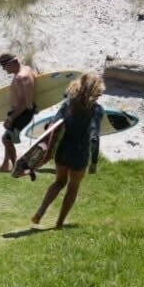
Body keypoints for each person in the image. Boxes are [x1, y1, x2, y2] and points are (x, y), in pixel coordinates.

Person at [31, 73, 104, 229]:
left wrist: (46, 149)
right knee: (73, 187)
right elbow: (94, 135)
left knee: (58, 182)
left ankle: (40, 211)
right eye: (99, 92)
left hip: (63, 151)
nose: (100, 95)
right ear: (95, 91)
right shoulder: (96, 110)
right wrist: (94, 161)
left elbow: (53, 125)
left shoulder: (68, 104)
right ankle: (59, 223)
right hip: (80, 153)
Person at [0, 51, 35, 172]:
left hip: (22, 112)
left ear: (12, 62)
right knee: (7, 136)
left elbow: (23, 102)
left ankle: (16, 168)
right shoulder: (28, 69)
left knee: (6, 139)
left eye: (4, 65)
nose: (3, 69)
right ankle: (5, 165)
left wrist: (11, 117)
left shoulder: (20, 77)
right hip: (23, 110)